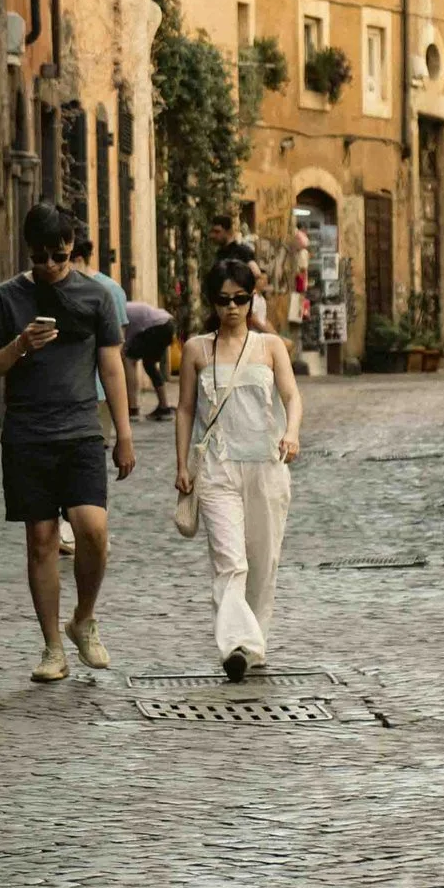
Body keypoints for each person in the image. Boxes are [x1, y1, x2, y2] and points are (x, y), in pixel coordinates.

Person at [0, 199, 134, 681]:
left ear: (72, 245)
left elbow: (111, 366)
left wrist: (124, 433)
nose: (48, 264)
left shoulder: (96, 296)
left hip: (81, 429)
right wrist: (20, 345)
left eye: (58, 255)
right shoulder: (6, 299)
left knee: (93, 529)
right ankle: (52, 648)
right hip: (28, 433)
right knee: (42, 540)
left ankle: (83, 619)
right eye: (39, 256)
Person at [176, 259, 303, 677]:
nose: (232, 307)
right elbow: (185, 409)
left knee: (263, 563)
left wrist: (292, 433)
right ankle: (235, 644)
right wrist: (182, 464)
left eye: (240, 299)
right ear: (212, 302)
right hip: (217, 469)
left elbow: (292, 396)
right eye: (223, 299)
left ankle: (254, 644)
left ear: (252, 299)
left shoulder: (270, 346)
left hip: (266, 466)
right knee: (230, 561)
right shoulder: (197, 349)